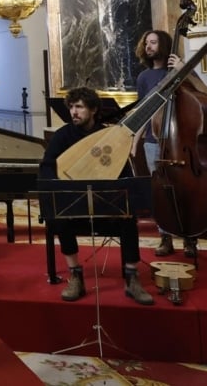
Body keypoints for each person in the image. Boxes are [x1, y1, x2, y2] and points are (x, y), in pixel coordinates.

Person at [40, 87, 154, 306]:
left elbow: (124, 174)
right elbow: (47, 165)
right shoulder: (63, 135)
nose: (74, 111)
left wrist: (120, 192)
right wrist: (59, 188)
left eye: (79, 107)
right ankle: (75, 275)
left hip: (106, 205)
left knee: (128, 218)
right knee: (58, 217)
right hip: (74, 205)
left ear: (93, 110)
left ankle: (132, 278)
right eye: (72, 107)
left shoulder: (109, 136)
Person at [134, 30, 203, 258]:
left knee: (184, 191)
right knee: (161, 193)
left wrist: (182, 68)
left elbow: (203, 92)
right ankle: (165, 237)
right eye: (146, 43)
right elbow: (143, 113)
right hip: (153, 142)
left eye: (153, 42)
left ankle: (189, 239)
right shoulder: (144, 77)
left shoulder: (179, 70)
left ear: (163, 45)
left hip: (178, 140)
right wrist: (135, 142)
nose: (148, 46)